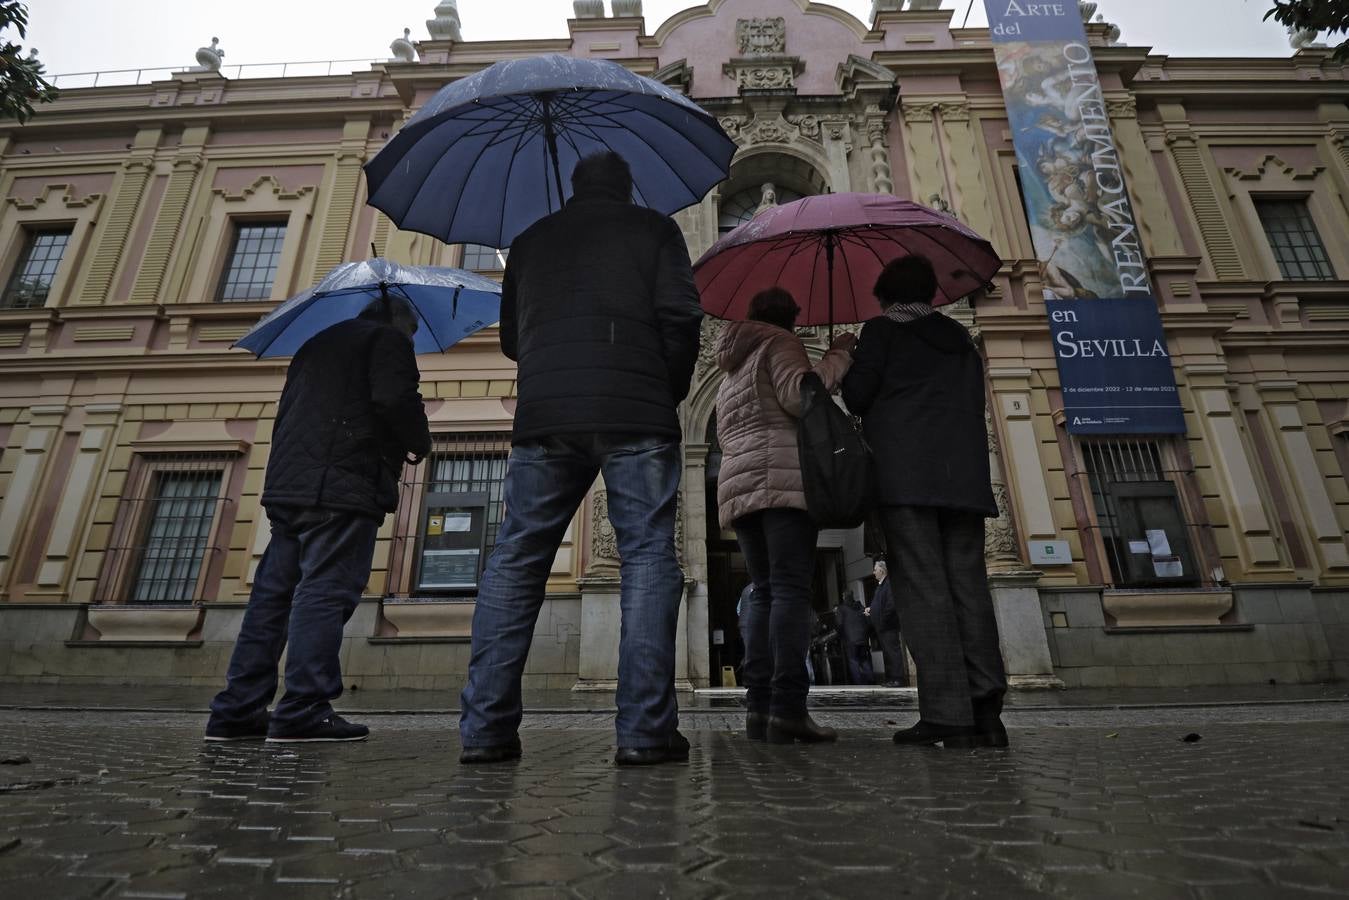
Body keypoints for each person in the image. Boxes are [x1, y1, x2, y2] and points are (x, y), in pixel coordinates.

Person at [458, 151, 703, 766]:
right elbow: (680, 317)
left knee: (517, 557)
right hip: (636, 410)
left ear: (573, 188)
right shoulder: (656, 230)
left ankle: (486, 730)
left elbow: (513, 339)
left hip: (545, 417)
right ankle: (646, 731)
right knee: (647, 556)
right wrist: (662, 390)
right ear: (627, 187)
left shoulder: (530, 240)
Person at [205, 296, 431, 743]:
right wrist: (418, 440)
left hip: (291, 487)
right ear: (398, 321)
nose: (411, 340)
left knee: (273, 598)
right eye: (413, 332)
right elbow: (393, 398)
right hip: (342, 484)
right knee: (325, 592)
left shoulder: (316, 343)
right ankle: (304, 708)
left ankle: (237, 710)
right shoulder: (387, 339)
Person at [841, 255, 1008, 749]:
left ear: (887, 295)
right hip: (965, 480)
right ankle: (987, 712)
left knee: (924, 592)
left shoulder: (880, 332)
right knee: (969, 590)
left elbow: (856, 398)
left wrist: (847, 355)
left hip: (907, 480)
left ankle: (947, 713)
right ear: (930, 293)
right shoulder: (958, 338)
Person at [715, 286, 854, 744]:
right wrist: (837, 356)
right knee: (791, 591)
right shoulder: (780, 342)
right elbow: (799, 397)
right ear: (790, 317)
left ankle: (758, 708)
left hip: (740, 488)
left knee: (762, 591)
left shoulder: (731, 364)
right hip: (782, 483)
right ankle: (789, 708)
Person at [866, 557, 906, 687]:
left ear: (882, 570)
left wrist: (882, 621)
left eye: (875, 569)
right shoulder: (880, 586)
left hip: (888, 626)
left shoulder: (888, 584)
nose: (874, 572)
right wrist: (871, 610)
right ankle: (891, 678)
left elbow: (891, 606)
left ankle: (898, 679)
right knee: (888, 653)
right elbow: (879, 605)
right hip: (882, 626)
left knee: (893, 652)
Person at [835, 594, 874, 686]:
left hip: (850, 640)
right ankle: (871, 680)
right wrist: (866, 635)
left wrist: (842, 636)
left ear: (844, 597)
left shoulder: (842, 609)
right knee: (864, 659)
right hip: (863, 639)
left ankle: (858, 683)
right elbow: (869, 621)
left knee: (853, 661)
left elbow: (839, 624)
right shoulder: (861, 607)